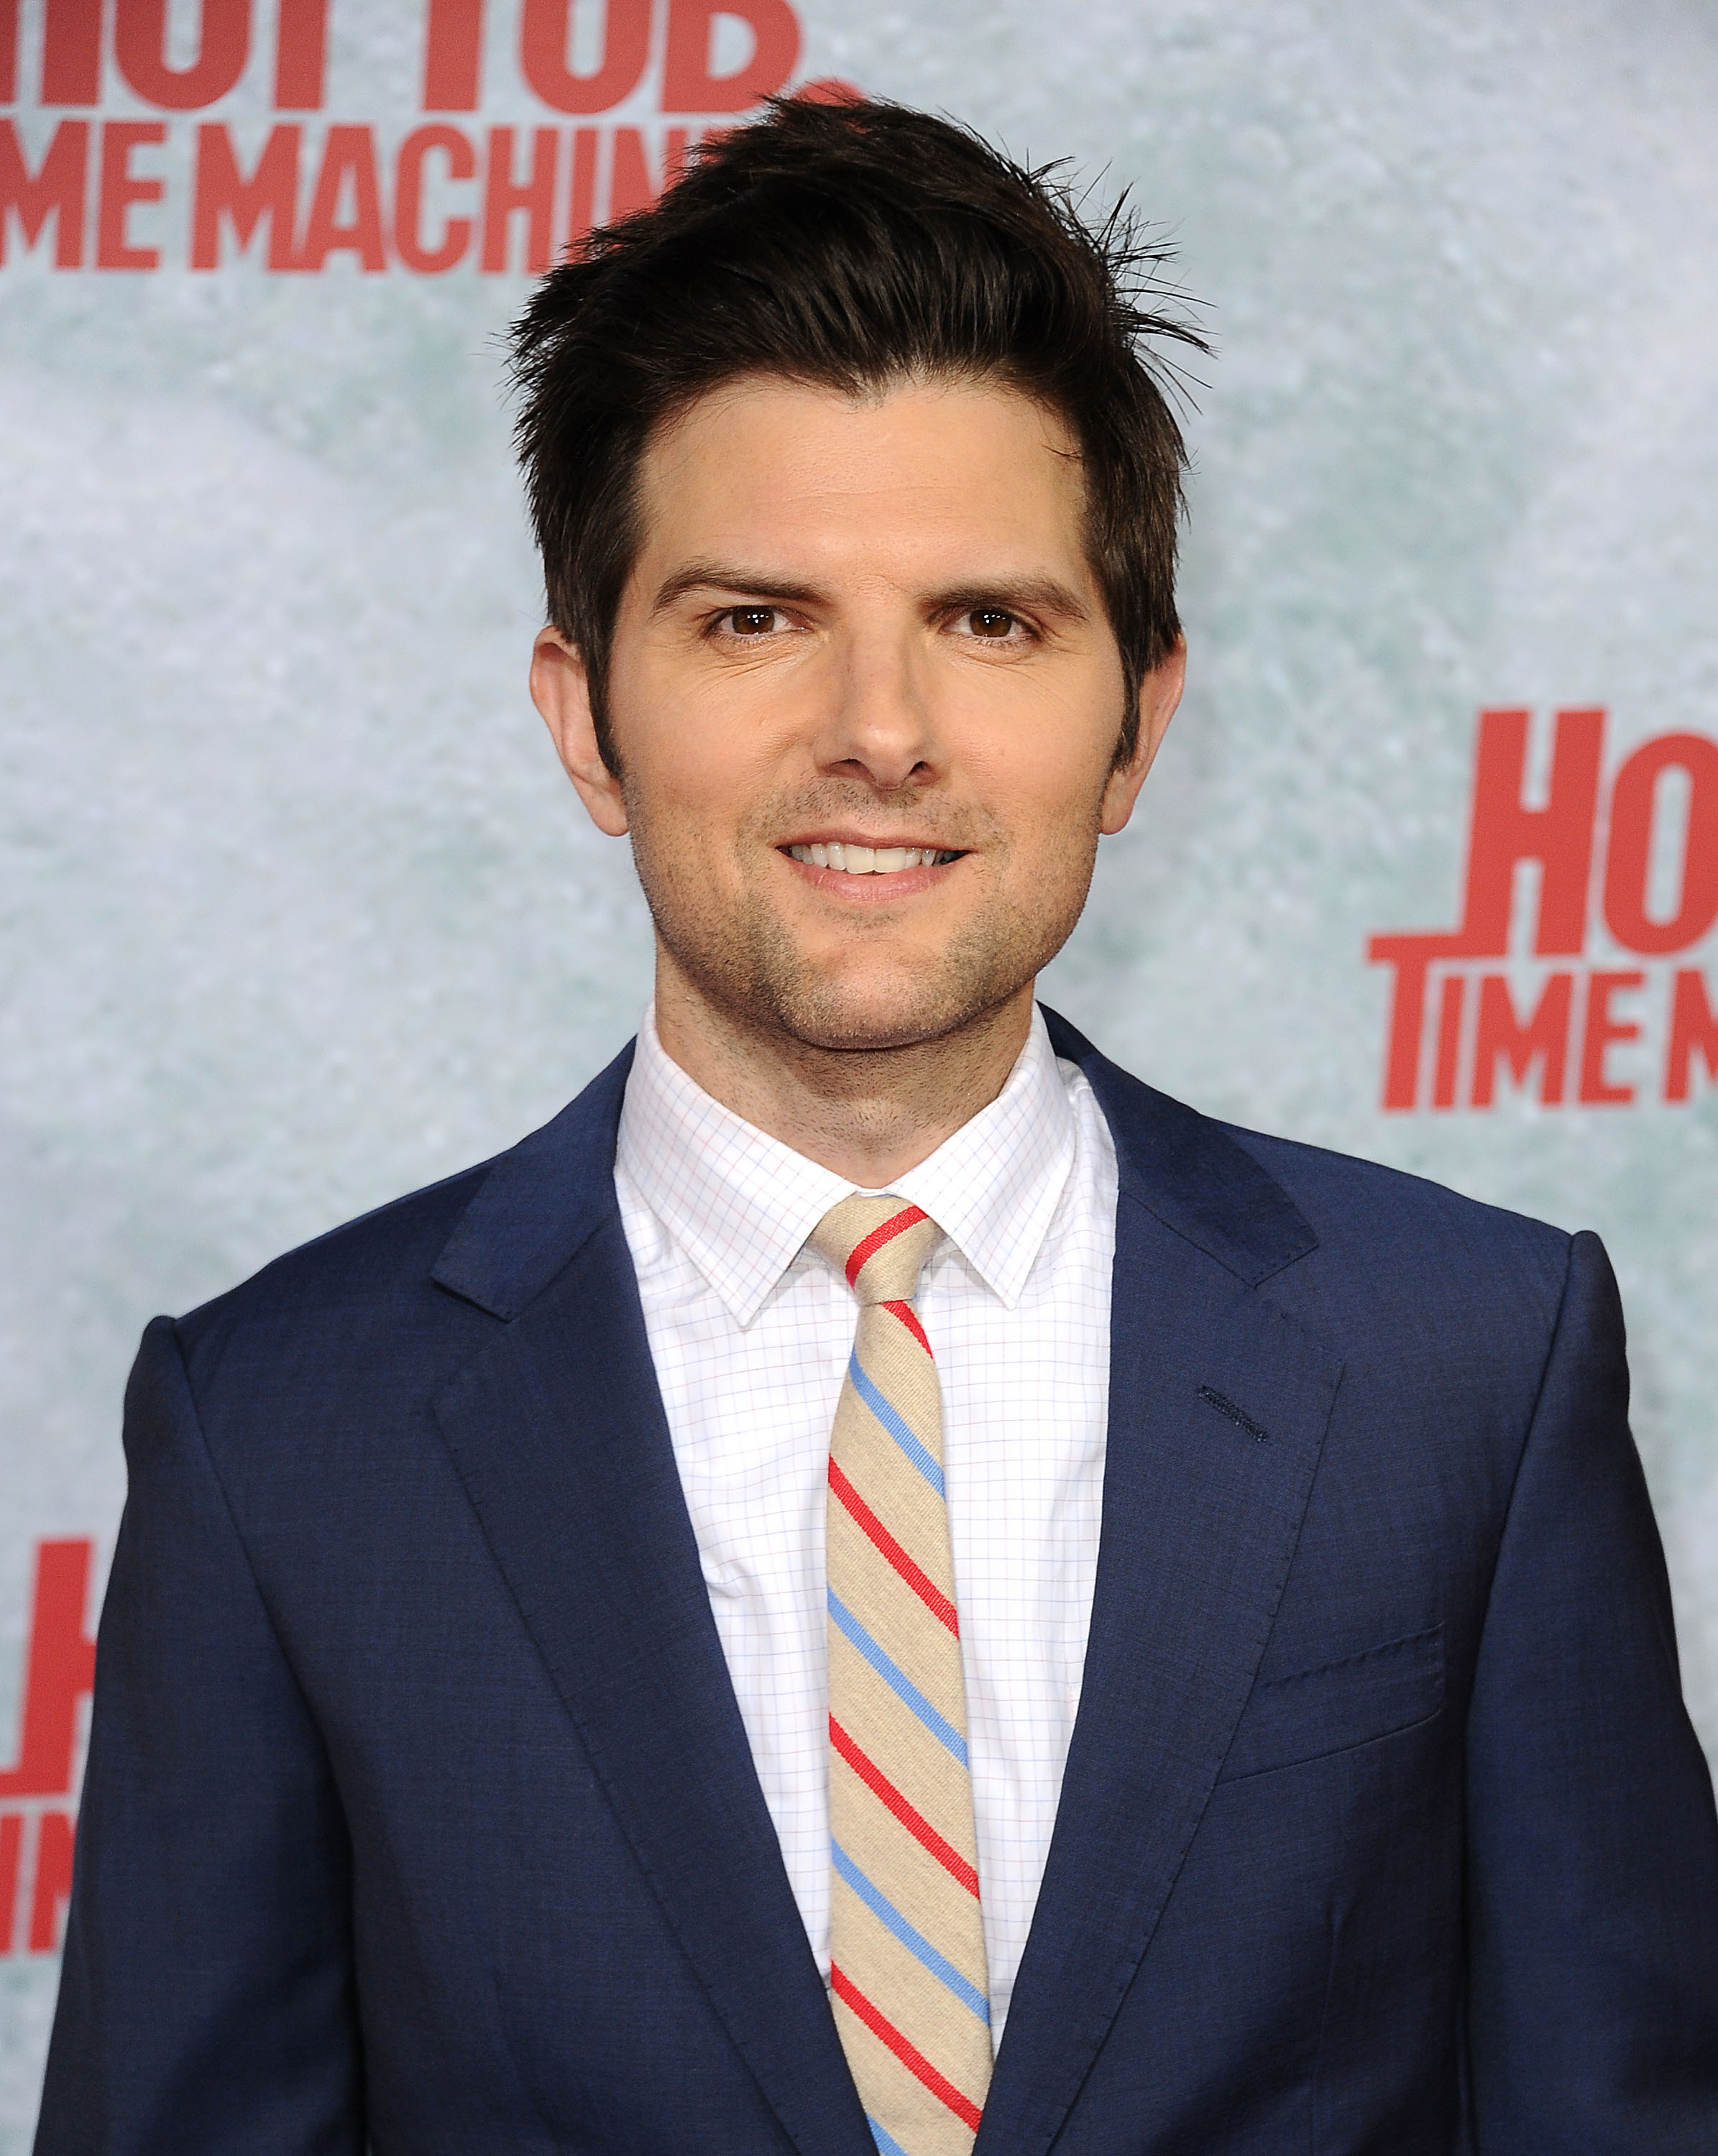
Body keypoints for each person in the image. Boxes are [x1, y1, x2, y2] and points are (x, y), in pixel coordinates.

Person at [36, 96, 1718, 2156]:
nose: (882, 732)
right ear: (585, 716)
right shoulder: (283, 1434)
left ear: (1138, 722)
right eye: (755, 619)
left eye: (990, 622)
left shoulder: (1464, 1360)